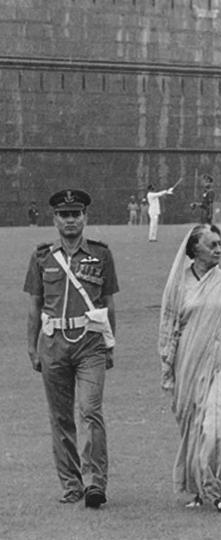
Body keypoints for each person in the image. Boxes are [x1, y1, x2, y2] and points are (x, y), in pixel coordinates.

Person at [23, 189, 118, 508]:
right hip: (53, 345)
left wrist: (109, 343)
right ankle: (71, 484)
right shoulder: (42, 257)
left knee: (91, 410)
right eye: (64, 215)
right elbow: (35, 305)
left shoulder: (101, 255)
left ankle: (94, 482)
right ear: (55, 219)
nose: (70, 219)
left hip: (90, 343)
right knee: (60, 417)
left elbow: (109, 303)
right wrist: (32, 347)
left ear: (85, 217)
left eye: (76, 214)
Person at [158, 224, 221, 514]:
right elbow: (168, 328)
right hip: (188, 364)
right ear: (195, 249)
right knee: (194, 427)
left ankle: (220, 489)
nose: (219, 250)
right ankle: (198, 487)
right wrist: (167, 368)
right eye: (212, 245)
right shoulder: (178, 285)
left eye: (220, 244)